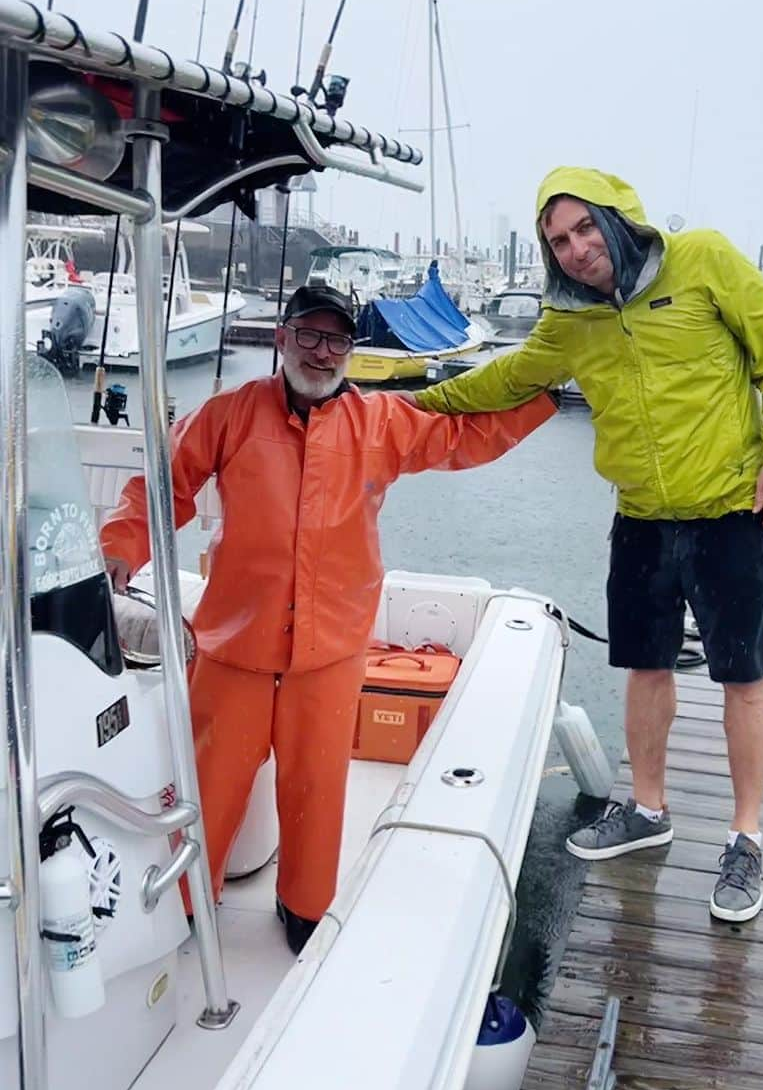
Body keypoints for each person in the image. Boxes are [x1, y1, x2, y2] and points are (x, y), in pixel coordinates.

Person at [100, 284, 554, 954]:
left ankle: (305, 908)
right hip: (236, 646)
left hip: (331, 652)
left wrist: (546, 399)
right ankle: (187, 906)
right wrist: (119, 548)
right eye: (308, 335)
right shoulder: (227, 416)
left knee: (319, 794)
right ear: (280, 339)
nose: (322, 351)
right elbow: (164, 486)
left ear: (351, 349)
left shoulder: (384, 422)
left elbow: (468, 436)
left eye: (336, 339)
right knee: (209, 790)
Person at [410, 168, 763, 923]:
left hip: (731, 508)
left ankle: (746, 838)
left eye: (586, 228)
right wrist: (412, 403)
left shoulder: (704, 260)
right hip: (641, 516)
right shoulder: (569, 321)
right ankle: (649, 811)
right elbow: (507, 379)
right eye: (558, 240)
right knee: (645, 666)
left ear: (618, 218)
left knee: (744, 675)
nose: (576, 248)